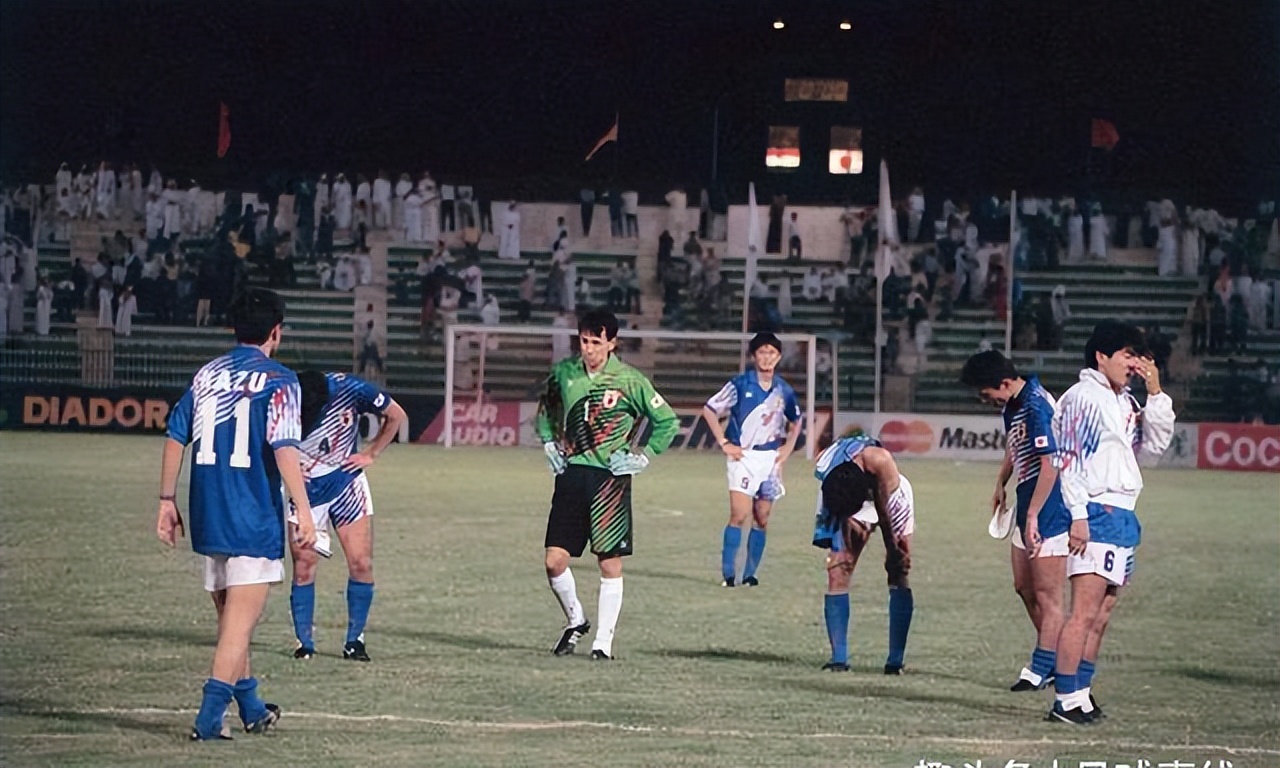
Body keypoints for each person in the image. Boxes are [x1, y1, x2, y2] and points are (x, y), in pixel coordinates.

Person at [156, 287, 318, 741]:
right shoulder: (281, 380)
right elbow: (285, 447)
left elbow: (175, 434)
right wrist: (304, 511)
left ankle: (250, 706)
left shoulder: (208, 374)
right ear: (276, 332)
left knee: (232, 620)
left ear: (233, 329)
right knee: (236, 628)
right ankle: (208, 720)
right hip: (251, 516)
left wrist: (166, 501)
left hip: (209, 511)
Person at [1047, 320, 1174, 724]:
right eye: (1127, 354)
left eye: (1138, 356)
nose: (1134, 363)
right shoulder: (1083, 397)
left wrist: (1155, 393)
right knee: (1082, 612)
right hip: (1097, 511)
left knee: (1101, 615)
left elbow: (1154, 448)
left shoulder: (1125, 401)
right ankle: (1064, 700)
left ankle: (1081, 693)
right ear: (1101, 356)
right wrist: (1079, 516)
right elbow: (1067, 460)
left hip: (1123, 514)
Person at [535, 309, 680, 660]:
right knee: (554, 561)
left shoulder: (629, 380)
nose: (588, 349)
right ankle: (576, 620)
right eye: (584, 341)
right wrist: (548, 441)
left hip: (609, 480)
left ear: (612, 343)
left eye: (596, 342)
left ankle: (603, 643)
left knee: (609, 562)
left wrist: (643, 456)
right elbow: (546, 410)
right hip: (571, 475)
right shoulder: (564, 373)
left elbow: (667, 421)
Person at [961, 351, 1071, 692]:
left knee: (1048, 595)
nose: (985, 401)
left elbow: (1050, 464)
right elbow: (1016, 445)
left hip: (1049, 505)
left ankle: (1042, 668)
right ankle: (1052, 658)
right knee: (1023, 586)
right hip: (1027, 502)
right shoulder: (1012, 406)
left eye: (986, 394)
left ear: (1005, 383)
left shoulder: (1038, 405)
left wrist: (1036, 513)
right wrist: (1001, 481)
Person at [288, 370, 407, 662]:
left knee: (361, 562)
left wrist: (372, 452)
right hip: (304, 488)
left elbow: (396, 415)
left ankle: (355, 641)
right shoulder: (286, 397)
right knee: (304, 564)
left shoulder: (350, 389)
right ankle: (305, 643)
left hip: (345, 480)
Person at [701, 333, 802, 587]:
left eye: (771, 352)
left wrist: (787, 449)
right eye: (762, 352)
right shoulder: (740, 384)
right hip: (743, 456)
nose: (766, 357)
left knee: (762, 517)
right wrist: (724, 443)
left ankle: (750, 575)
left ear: (778, 357)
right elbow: (710, 409)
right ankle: (728, 574)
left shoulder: (784, 390)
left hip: (770, 459)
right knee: (739, 514)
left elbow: (796, 420)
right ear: (754, 355)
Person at [811, 430, 914, 674]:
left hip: (891, 496)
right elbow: (832, 505)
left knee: (898, 568)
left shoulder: (881, 460)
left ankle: (895, 661)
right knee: (838, 568)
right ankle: (839, 659)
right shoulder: (828, 469)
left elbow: (883, 505)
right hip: (846, 496)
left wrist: (892, 550)